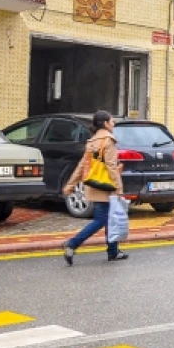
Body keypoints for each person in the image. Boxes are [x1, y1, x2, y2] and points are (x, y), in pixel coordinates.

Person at [62, 111, 128, 265]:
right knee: (101, 220)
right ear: (105, 123)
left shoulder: (92, 141)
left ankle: (113, 251)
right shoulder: (108, 141)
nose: (114, 124)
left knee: (109, 218)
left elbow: (82, 166)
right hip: (106, 186)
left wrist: (71, 185)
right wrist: (119, 188)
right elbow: (111, 167)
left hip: (93, 184)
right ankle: (72, 244)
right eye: (112, 122)